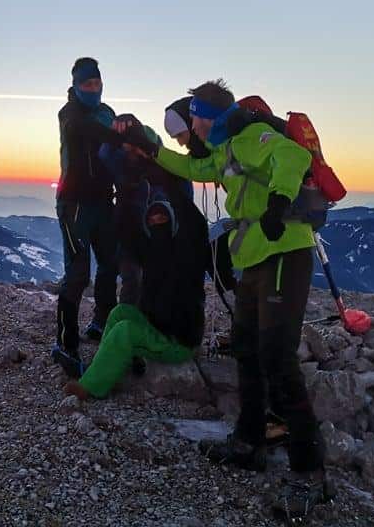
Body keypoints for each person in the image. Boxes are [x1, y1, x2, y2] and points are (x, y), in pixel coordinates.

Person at [125, 80, 329, 516]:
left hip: (284, 253)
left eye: (195, 118)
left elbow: (292, 157)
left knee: (277, 357)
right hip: (257, 256)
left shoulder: (251, 136)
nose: (193, 127)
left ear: (208, 117)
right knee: (246, 348)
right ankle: (249, 441)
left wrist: (278, 202)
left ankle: (310, 471)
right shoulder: (225, 149)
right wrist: (152, 148)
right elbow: (193, 169)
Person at [63, 186, 208, 400]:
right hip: (159, 329)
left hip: (178, 341)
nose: (157, 224)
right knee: (120, 312)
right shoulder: (152, 252)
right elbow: (128, 233)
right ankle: (102, 367)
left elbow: (196, 226)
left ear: (173, 223)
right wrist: (126, 196)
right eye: (152, 221)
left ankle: (90, 387)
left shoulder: (183, 255)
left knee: (125, 331)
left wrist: (172, 187)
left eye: (163, 219)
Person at [52, 57, 126, 378]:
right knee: (78, 273)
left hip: (103, 202)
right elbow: (81, 130)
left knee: (110, 263)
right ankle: (65, 343)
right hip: (75, 206)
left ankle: (102, 321)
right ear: (76, 86)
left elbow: (115, 144)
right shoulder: (69, 113)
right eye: (87, 84)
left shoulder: (107, 112)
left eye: (97, 83)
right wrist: (118, 134)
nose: (93, 89)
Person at [98, 114, 191, 307]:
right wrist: (116, 133)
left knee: (158, 281)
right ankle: (128, 318)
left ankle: (155, 318)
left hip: (161, 234)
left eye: (136, 148)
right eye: (128, 148)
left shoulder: (168, 169)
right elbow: (105, 155)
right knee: (132, 279)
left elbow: (185, 197)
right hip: (129, 233)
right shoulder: (124, 164)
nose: (132, 153)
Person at [163, 96, 238, 300]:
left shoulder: (231, 148)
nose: (181, 143)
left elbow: (192, 168)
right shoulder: (219, 151)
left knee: (216, 256)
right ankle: (239, 306)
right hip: (260, 222)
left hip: (268, 224)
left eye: (181, 135)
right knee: (215, 255)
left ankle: (240, 307)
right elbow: (191, 168)